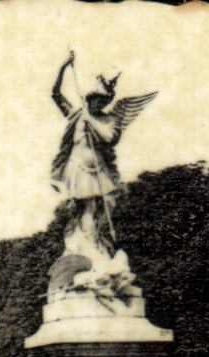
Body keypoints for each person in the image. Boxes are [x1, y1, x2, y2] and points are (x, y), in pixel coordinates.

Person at [50, 51, 157, 260]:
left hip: (99, 172)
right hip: (78, 170)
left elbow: (110, 138)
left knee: (101, 209)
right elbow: (56, 94)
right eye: (93, 99)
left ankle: (97, 247)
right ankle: (81, 246)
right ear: (88, 99)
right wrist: (63, 67)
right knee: (83, 207)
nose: (96, 103)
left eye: (100, 100)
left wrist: (91, 119)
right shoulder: (76, 115)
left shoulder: (108, 120)